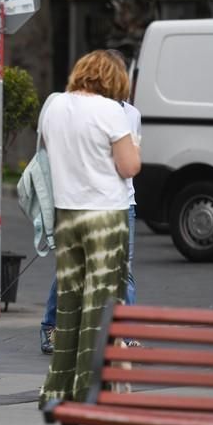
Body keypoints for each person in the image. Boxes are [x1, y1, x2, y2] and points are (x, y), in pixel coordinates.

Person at [37, 50, 141, 408]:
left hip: (67, 213)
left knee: (69, 305)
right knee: (101, 305)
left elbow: (52, 154)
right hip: (105, 214)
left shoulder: (53, 105)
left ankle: (56, 390)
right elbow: (129, 167)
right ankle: (89, 389)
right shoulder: (111, 111)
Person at [40, 99, 142, 355]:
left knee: (123, 271)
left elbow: (129, 166)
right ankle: (51, 325)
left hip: (122, 202)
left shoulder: (132, 113)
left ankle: (124, 336)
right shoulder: (81, 110)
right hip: (85, 202)